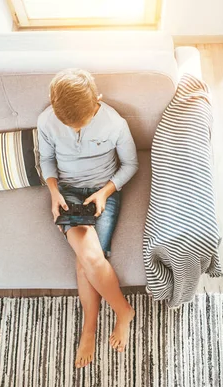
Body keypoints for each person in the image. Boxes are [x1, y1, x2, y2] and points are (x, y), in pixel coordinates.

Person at [37, 68, 139, 368]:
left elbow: (131, 165)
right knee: (90, 258)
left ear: (97, 101)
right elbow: (46, 160)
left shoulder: (115, 123)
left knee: (86, 263)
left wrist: (105, 192)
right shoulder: (47, 121)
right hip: (67, 192)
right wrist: (54, 193)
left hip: (102, 189)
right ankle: (121, 312)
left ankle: (93, 326)